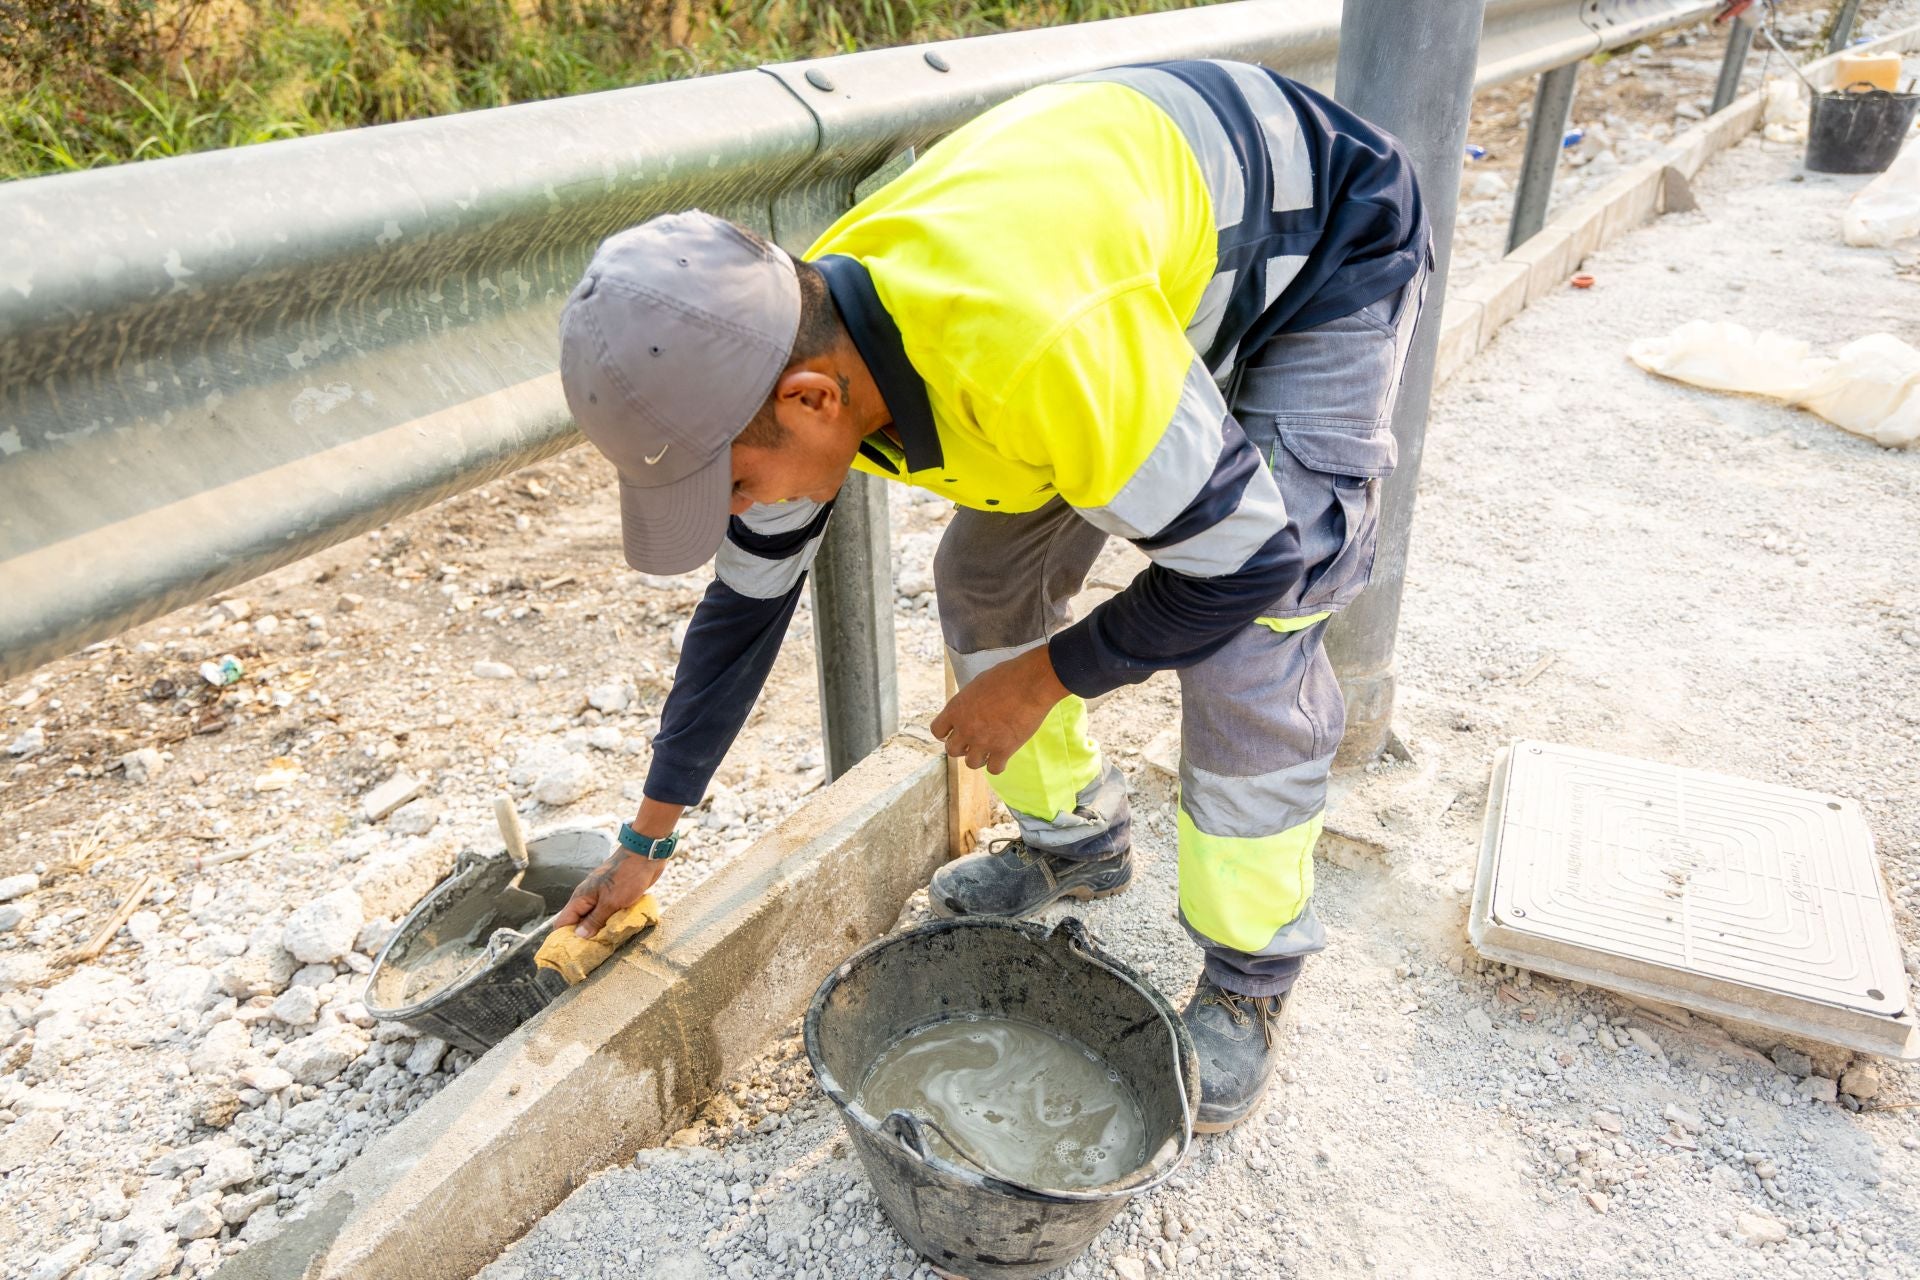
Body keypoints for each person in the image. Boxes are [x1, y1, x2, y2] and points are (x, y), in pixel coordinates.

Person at [551, 59, 1428, 1131]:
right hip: (1126, 283)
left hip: (1319, 237)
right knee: (981, 574)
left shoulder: (1031, 345)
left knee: (1249, 642)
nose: (741, 507)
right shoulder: (804, 345)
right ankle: (1080, 844)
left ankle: (1250, 978)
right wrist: (647, 842)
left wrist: (1047, 677)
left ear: (813, 399)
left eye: (733, 483)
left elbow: (1251, 564)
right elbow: (743, 612)